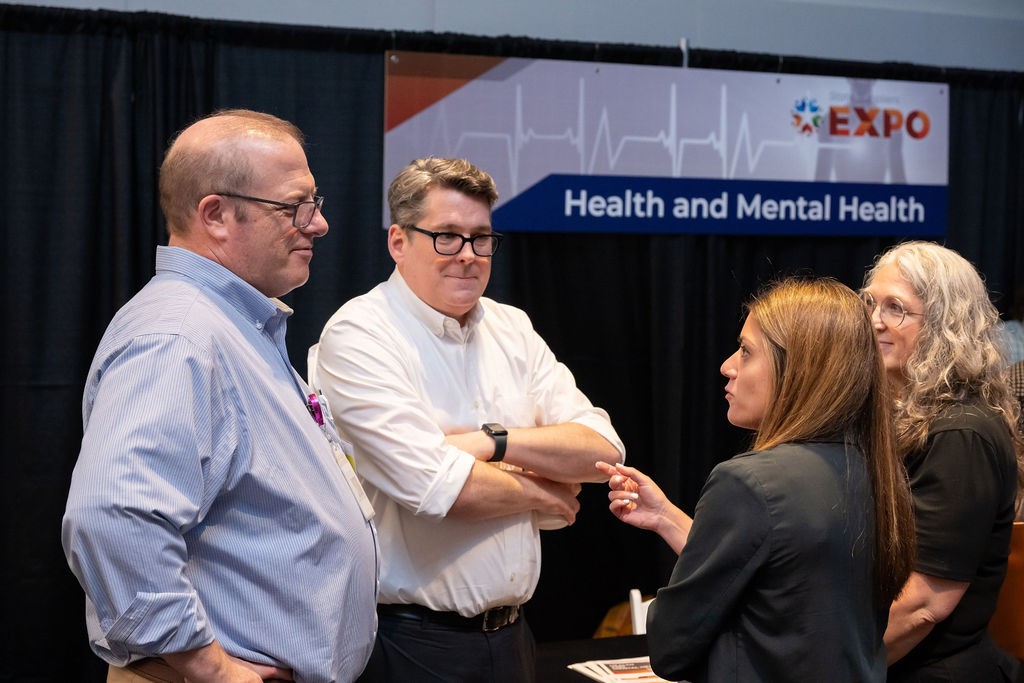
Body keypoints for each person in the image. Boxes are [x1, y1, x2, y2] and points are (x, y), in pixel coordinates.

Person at [62, 109, 379, 683]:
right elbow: (113, 514)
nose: (319, 224)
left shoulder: (230, 327)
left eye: (315, 203)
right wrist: (209, 668)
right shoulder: (177, 335)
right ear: (215, 215)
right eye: (294, 206)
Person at [308, 157, 625, 682]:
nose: (469, 256)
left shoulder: (512, 327)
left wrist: (489, 443)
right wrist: (544, 493)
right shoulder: (360, 334)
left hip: (513, 636)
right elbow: (437, 488)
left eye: (481, 238)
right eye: (447, 237)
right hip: (410, 642)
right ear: (398, 241)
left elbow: (602, 450)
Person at [599, 277, 916, 683]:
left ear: (798, 369)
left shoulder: (748, 482)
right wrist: (665, 516)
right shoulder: (876, 474)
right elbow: (784, 589)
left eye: (746, 352)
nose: (727, 366)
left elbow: (670, 646)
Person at [861, 241, 1024, 682]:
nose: (874, 320)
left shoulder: (960, 433)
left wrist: (833, 668)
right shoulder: (896, 417)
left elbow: (923, 605)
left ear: (944, 324)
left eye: (895, 307)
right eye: (871, 303)